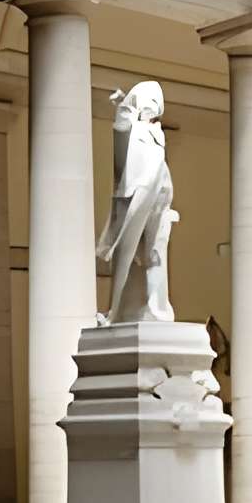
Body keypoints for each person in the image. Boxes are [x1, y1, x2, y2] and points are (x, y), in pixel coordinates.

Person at [96, 80, 177, 322]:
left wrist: (167, 203)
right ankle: (115, 313)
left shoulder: (156, 135)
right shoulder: (131, 130)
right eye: (149, 100)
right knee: (126, 255)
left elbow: (160, 171)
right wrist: (124, 104)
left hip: (159, 201)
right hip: (136, 197)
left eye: (156, 102)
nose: (153, 107)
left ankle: (157, 309)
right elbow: (121, 128)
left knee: (156, 254)